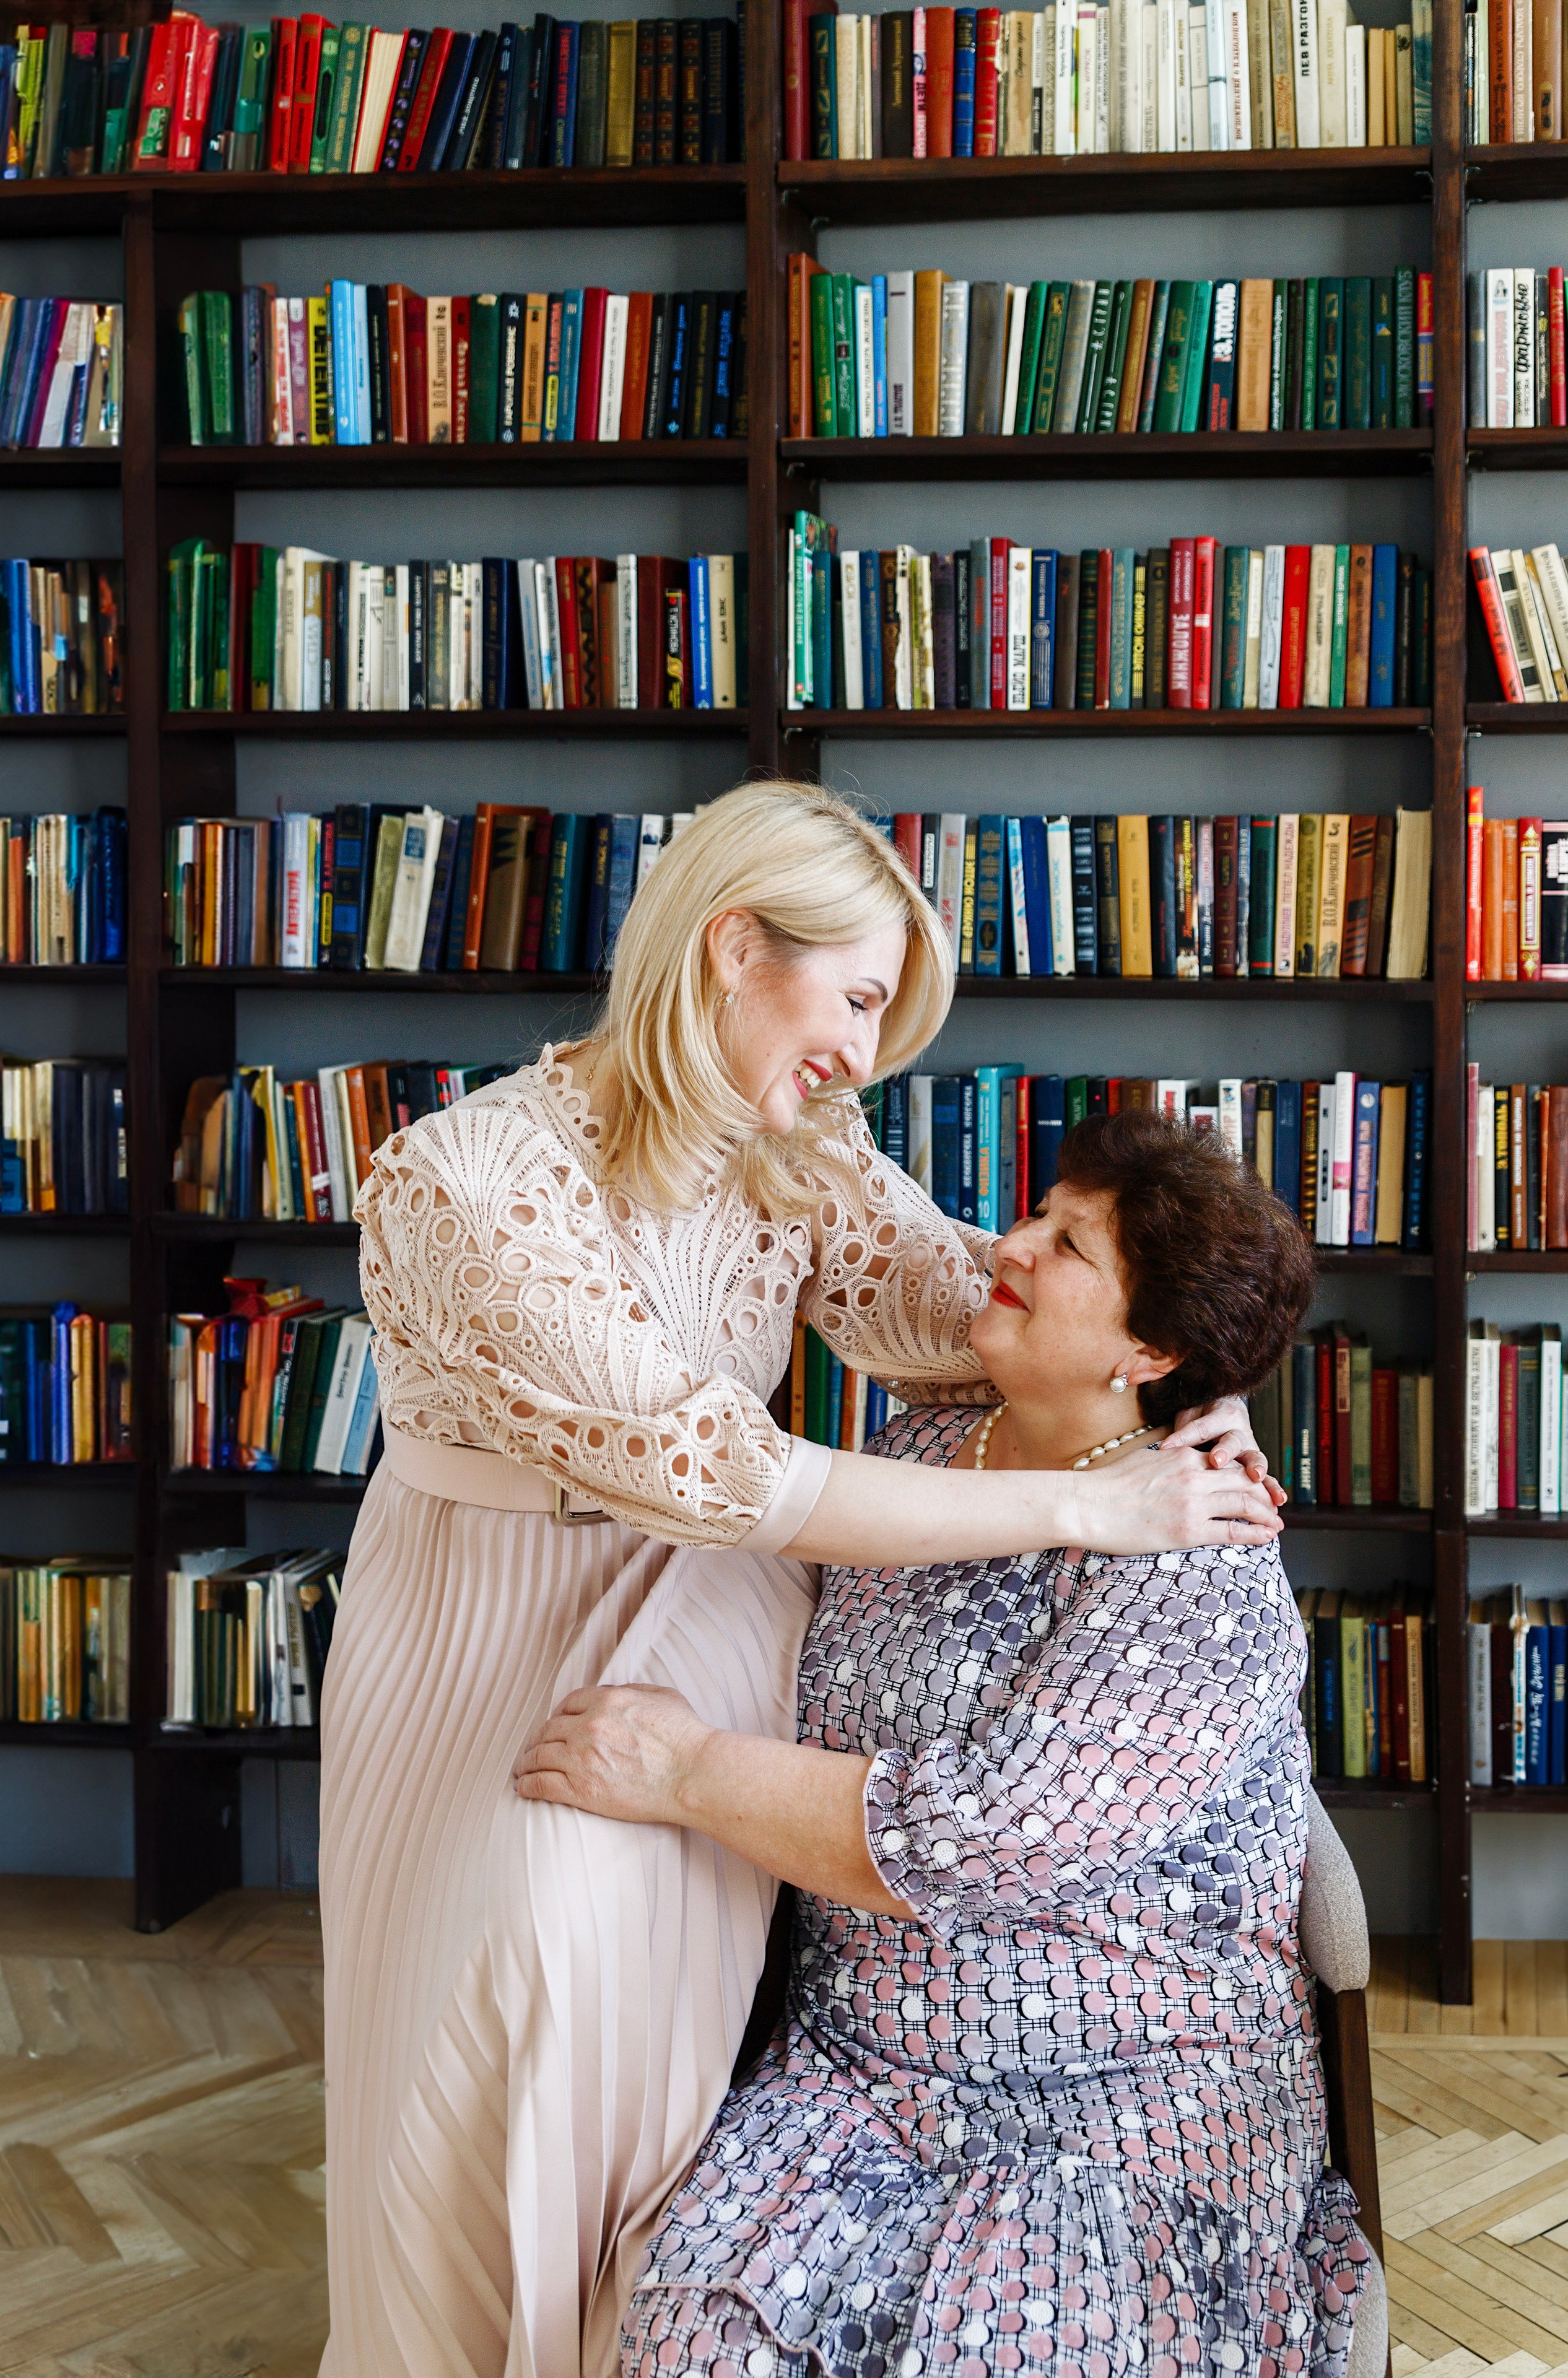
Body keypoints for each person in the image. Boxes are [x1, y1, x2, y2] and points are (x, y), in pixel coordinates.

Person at [321, 783, 1284, 2378]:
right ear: (728, 948)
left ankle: (619, 2340)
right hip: (479, 1600)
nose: (858, 1053)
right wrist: (1096, 1510)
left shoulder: (803, 1148)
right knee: (472, 2014)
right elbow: (739, 1474)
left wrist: (1191, 1390)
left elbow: (971, 1299)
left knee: (609, 1990)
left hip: (711, 1601)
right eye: (851, 1001)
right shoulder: (461, 1179)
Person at [518, 1107, 1369, 2378]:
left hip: (1124, 2102)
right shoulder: (920, 1448)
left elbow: (960, 1842)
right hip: (860, 2073)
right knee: (690, 2345)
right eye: (1039, 1210)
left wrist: (683, 1768)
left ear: (1146, 1349)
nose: (1010, 1243)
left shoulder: (1203, 1562)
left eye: (1068, 1241)